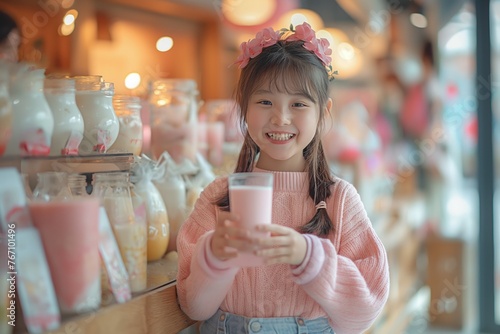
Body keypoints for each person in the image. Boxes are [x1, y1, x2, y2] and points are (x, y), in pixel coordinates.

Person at [176, 22, 389, 334]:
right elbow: (193, 307)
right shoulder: (218, 196)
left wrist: (309, 257)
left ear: (322, 113)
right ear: (244, 108)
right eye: (265, 102)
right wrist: (214, 256)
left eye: (299, 104)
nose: (281, 118)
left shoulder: (338, 200)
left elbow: (365, 310)